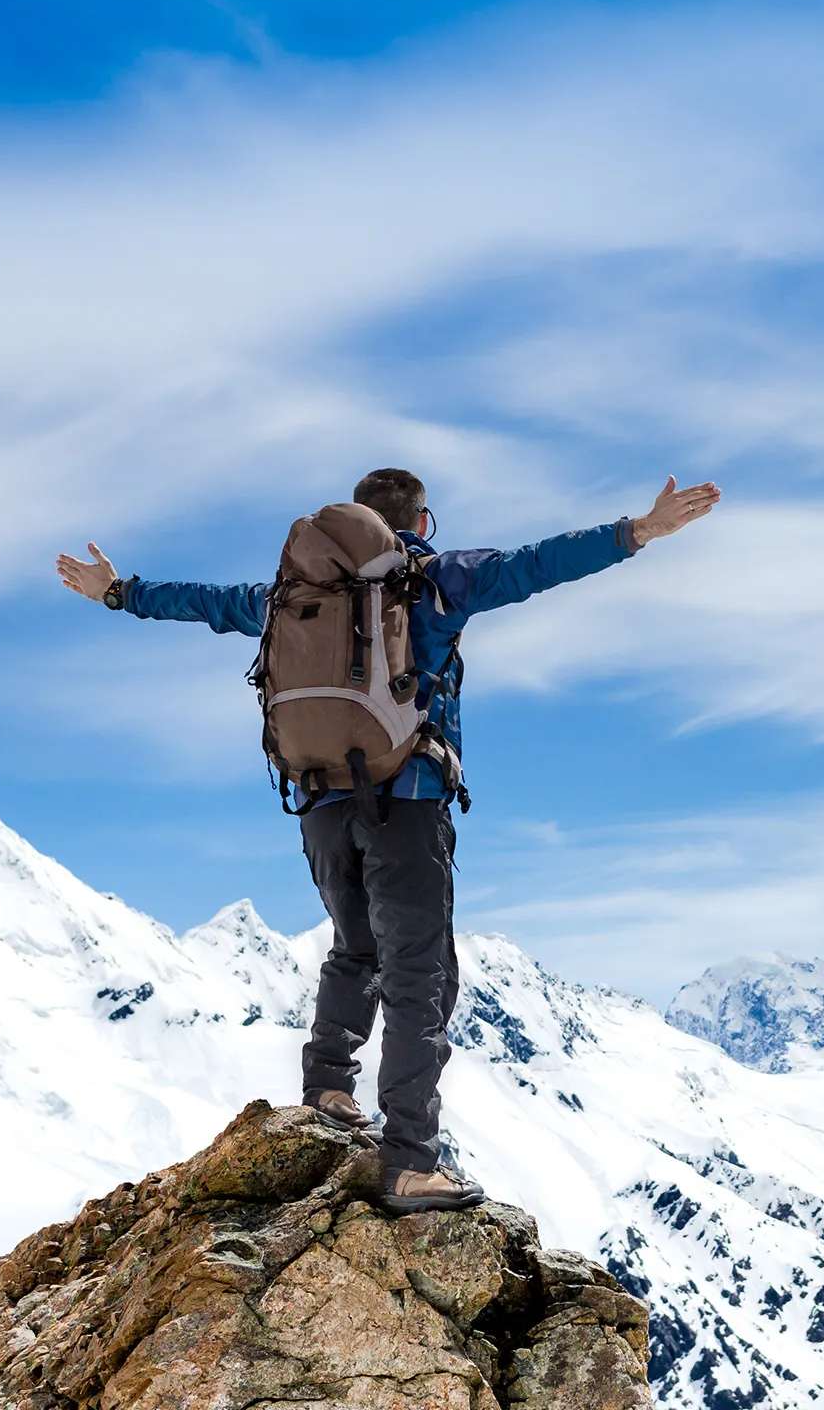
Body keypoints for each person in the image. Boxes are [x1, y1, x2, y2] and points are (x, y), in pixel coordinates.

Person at [56, 470, 721, 1212]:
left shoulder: (293, 592)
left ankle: (326, 1089)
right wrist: (639, 530)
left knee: (356, 947)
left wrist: (119, 592)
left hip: (317, 802)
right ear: (420, 522)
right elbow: (537, 564)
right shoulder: (433, 579)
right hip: (405, 803)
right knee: (419, 974)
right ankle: (409, 1161)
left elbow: (207, 603)